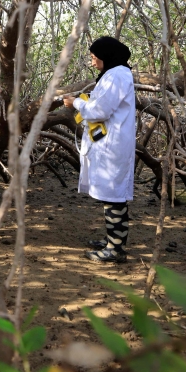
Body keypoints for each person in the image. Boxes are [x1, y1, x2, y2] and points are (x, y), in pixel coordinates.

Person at [62, 36, 136, 263]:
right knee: (112, 196)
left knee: (113, 197)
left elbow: (99, 111)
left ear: (106, 56)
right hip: (111, 144)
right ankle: (113, 241)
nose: (93, 62)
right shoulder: (116, 74)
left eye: (95, 58)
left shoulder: (117, 75)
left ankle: (115, 250)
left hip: (112, 147)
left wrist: (76, 103)